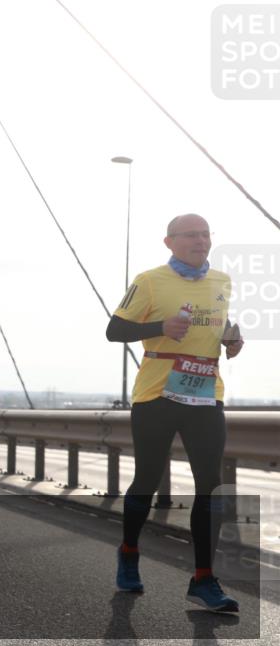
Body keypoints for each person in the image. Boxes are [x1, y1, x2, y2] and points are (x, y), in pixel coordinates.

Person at [106, 213, 243, 613]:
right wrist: (160, 325)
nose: (201, 241)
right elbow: (114, 331)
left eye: (205, 234)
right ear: (169, 242)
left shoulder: (222, 281)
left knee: (210, 487)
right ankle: (129, 552)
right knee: (147, 479)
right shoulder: (149, 281)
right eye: (191, 235)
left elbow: (217, 324)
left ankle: (203, 579)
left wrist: (231, 337)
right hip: (157, 393)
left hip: (205, 394)